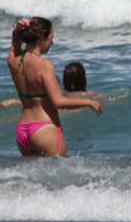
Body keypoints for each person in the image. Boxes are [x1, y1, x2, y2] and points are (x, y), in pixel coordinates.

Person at [6, 18, 102, 156]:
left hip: (22, 130)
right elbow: (58, 102)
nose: (52, 42)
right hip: (44, 128)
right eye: (51, 37)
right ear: (41, 39)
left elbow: (15, 45)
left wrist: (16, 31)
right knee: (63, 176)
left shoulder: (13, 62)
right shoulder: (45, 66)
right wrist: (89, 102)